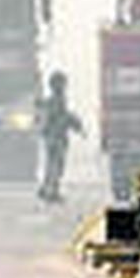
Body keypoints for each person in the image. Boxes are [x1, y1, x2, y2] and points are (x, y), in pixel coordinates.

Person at [36, 70, 83, 202]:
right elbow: (62, 117)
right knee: (56, 165)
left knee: (52, 164)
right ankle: (52, 191)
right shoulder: (57, 101)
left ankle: (46, 189)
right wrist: (76, 125)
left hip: (51, 137)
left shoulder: (52, 101)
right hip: (56, 138)